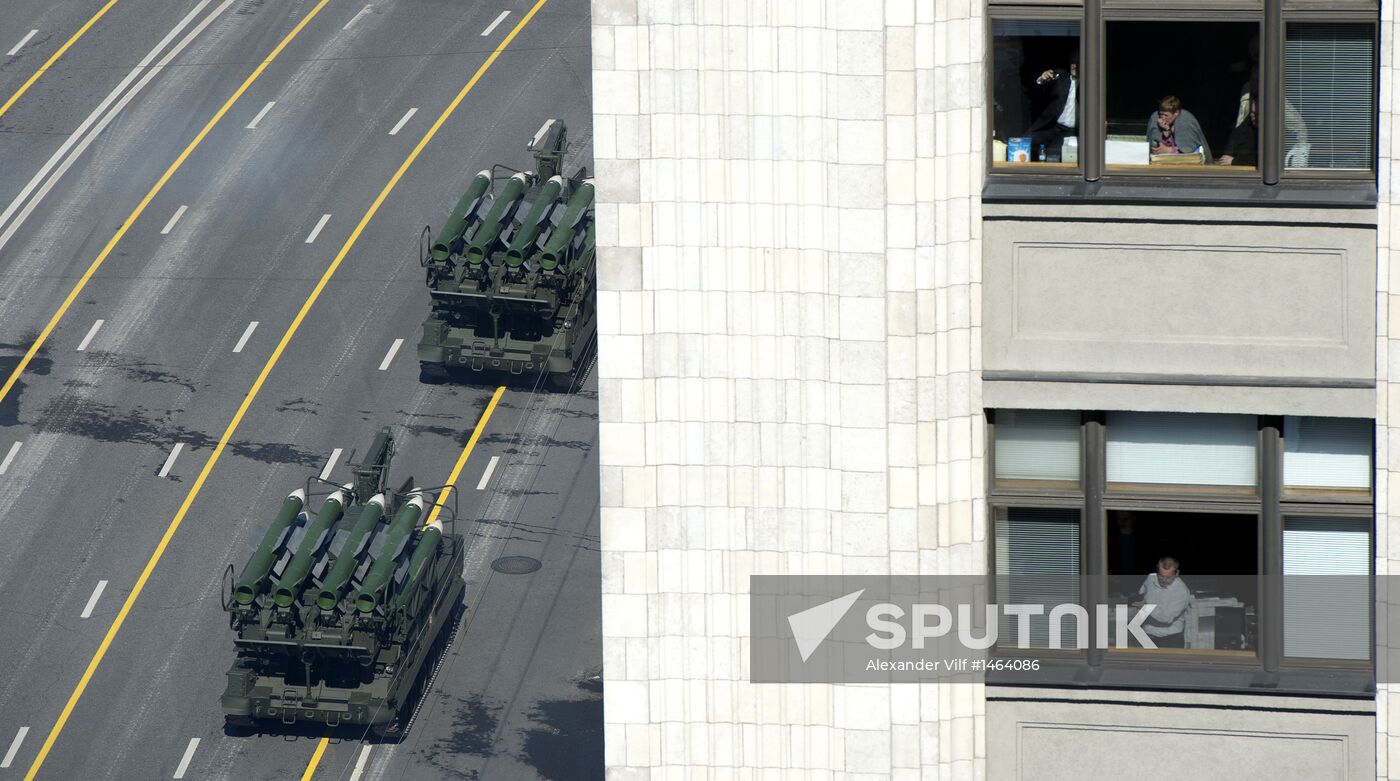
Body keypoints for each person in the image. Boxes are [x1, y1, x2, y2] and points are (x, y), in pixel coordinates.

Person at [1026, 51, 1078, 160]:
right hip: (1052, 125)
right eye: (1072, 63)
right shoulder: (1061, 76)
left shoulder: (1090, 82)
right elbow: (1038, 84)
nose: (1074, 67)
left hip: (1071, 130)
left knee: (1054, 154)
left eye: (1077, 64)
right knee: (1027, 141)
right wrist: (1042, 78)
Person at [1130, 556, 1191, 648]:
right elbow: (1140, 593)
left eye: (1168, 577)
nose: (1164, 580)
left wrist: (1146, 608)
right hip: (1146, 636)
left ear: (1177, 573)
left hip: (1170, 640)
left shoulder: (1181, 591)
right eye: (1161, 576)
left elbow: (1166, 618)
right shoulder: (1151, 578)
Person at [1146, 96, 1211, 162]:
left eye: (1166, 115)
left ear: (1176, 113)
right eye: (1161, 114)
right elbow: (1154, 144)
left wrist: (1169, 150)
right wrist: (1165, 131)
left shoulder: (1186, 120)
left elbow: (1189, 149)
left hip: (1191, 162)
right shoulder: (1156, 117)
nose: (1162, 118)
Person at [1219, 93, 1257, 166]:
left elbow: (1263, 159)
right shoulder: (1247, 127)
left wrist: (1234, 161)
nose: (1253, 116)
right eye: (1252, 113)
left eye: (1256, 114)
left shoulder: (1268, 133)